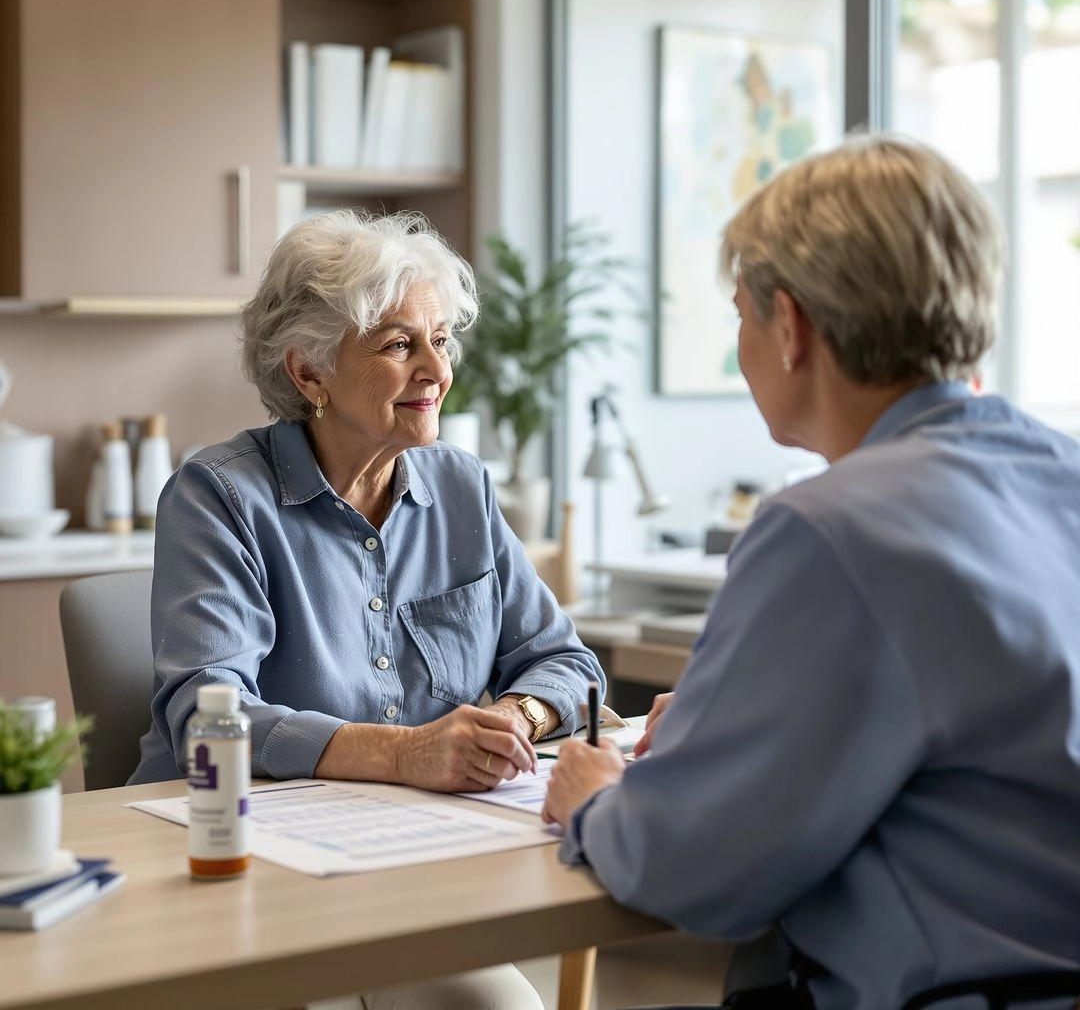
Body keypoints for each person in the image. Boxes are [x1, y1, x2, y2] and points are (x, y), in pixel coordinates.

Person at [542, 134, 1080, 1009]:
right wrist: (734, 729)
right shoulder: (1061, 471)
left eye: (740, 316)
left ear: (788, 327)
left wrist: (598, 799)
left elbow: (699, 869)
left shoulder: (827, 528)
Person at [130, 208, 606, 1010]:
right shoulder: (219, 497)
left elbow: (567, 664)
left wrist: (516, 720)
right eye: (398, 345)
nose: (437, 370)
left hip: (407, 875)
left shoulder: (460, 486)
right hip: (232, 874)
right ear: (309, 373)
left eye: (442, 340)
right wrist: (405, 752)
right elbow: (210, 718)